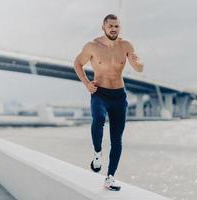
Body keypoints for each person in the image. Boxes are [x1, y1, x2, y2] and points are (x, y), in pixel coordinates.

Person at [74, 14, 144, 191]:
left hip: (119, 96)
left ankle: (110, 177)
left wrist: (138, 63)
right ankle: (97, 154)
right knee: (98, 119)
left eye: (117, 26)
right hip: (100, 93)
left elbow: (139, 68)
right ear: (103, 27)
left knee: (117, 139)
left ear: (120, 28)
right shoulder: (92, 46)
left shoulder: (126, 46)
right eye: (110, 26)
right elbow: (77, 63)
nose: (114, 29)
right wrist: (87, 83)